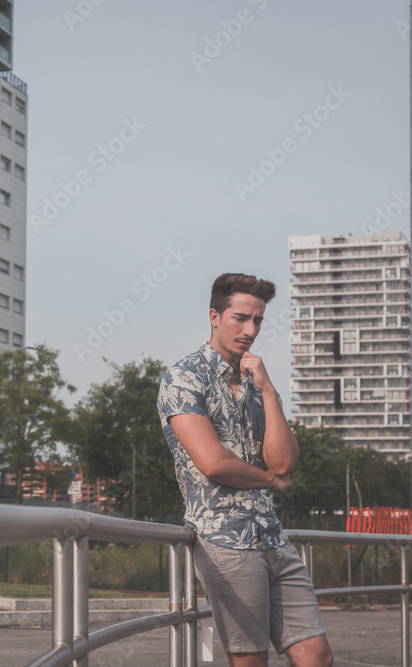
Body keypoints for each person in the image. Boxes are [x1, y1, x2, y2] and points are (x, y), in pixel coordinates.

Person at [157, 272, 333, 667]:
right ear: (214, 316)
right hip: (224, 542)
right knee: (251, 660)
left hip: (271, 534)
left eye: (258, 321)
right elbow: (214, 463)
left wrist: (268, 390)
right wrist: (272, 481)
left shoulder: (256, 382)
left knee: (317, 656)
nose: (250, 329)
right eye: (240, 318)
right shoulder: (184, 378)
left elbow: (284, 460)